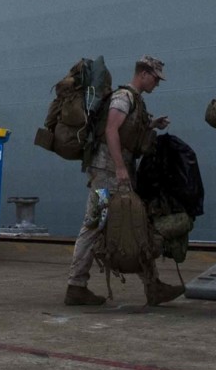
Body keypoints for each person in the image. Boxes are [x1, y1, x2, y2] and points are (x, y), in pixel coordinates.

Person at [64, 56, 182, 307]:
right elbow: (111, 130)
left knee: (132, 222)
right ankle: (76, 286)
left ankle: (152, 286)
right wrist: (119, 168)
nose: (157, 84)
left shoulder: (134, 100)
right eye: (155, 78)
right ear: (143, 73)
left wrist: (151, 124)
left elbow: (126, 129)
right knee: (95, 224)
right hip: (107, 173)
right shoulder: (123, 98)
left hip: (113, 172)